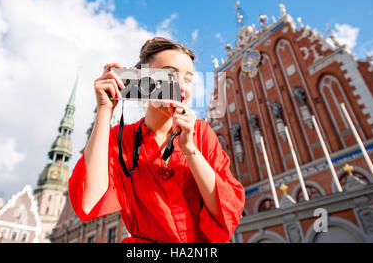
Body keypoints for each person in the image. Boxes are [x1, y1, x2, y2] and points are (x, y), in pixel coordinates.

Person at [68, 37, 245, 243]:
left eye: (188, 78)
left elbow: (227, 213)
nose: (180, 85)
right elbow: (88, 202)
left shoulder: (202, 133)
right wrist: (105, 110)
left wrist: (190, 150)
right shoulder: (120, 139)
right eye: (169, 74)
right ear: (142, 82)